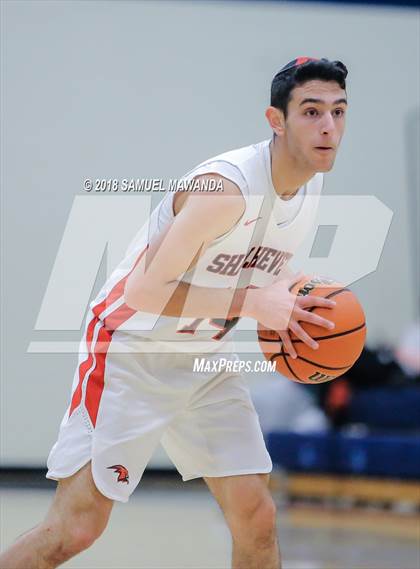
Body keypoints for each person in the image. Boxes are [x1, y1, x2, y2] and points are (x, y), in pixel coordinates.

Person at [0, 57, 348, 569]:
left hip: (202, 360)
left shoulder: (310, 185)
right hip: (130, 350)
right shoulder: (225, 189)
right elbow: (145, 289)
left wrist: (291, 300)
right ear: (276, 120)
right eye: (312, 111)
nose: (328, 127)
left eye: (339, 112)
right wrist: (252, 303)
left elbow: (253, 267)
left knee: (257, 519)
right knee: (75, 530)